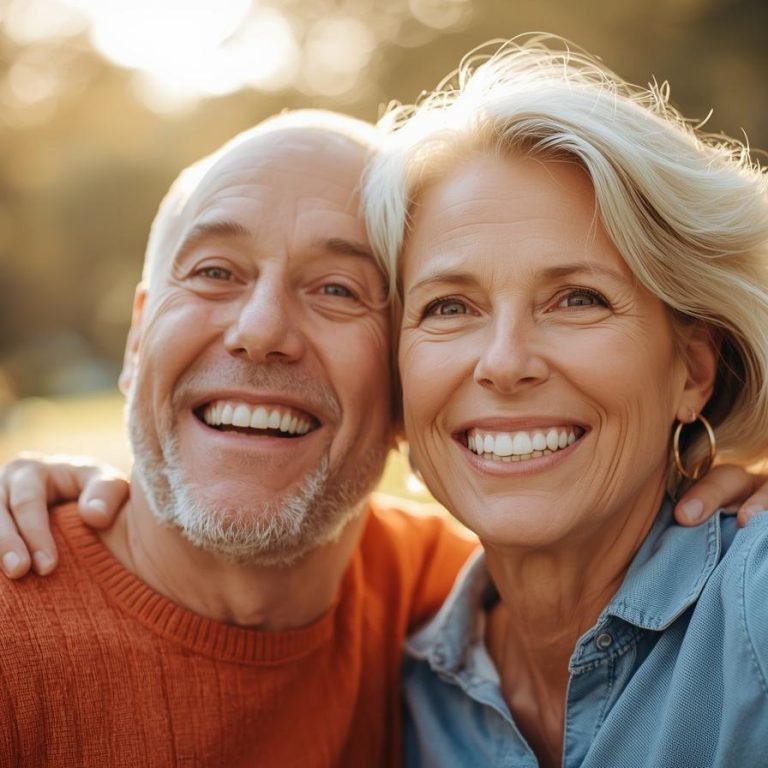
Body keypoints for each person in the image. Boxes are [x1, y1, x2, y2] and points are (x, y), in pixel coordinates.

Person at [0, 109, 477, 768]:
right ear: (139, 339)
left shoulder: (449, 589)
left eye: (338, 288)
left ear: (409, 379)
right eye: (215, 273)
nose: (259, 330)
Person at [359, 35, 768, 767]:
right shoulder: (406, 692)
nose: (505, 362)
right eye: (450, 307)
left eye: (578, 299)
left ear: (692, 373)